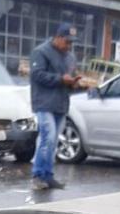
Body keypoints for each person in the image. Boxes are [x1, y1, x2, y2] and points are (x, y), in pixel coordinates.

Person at [30, 23, 81, 191]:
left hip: (61, 103)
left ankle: (48, 175)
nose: (69, 46)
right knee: (48, 137)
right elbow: (37, 75)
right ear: (57, 37)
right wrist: (61, 79)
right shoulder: (41, 52)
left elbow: (69, 77)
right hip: (44, 103)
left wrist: (75, 83)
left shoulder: (70, 57)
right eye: (67, 42)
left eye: (71, 43)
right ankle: (38, 175)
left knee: (53, 141)